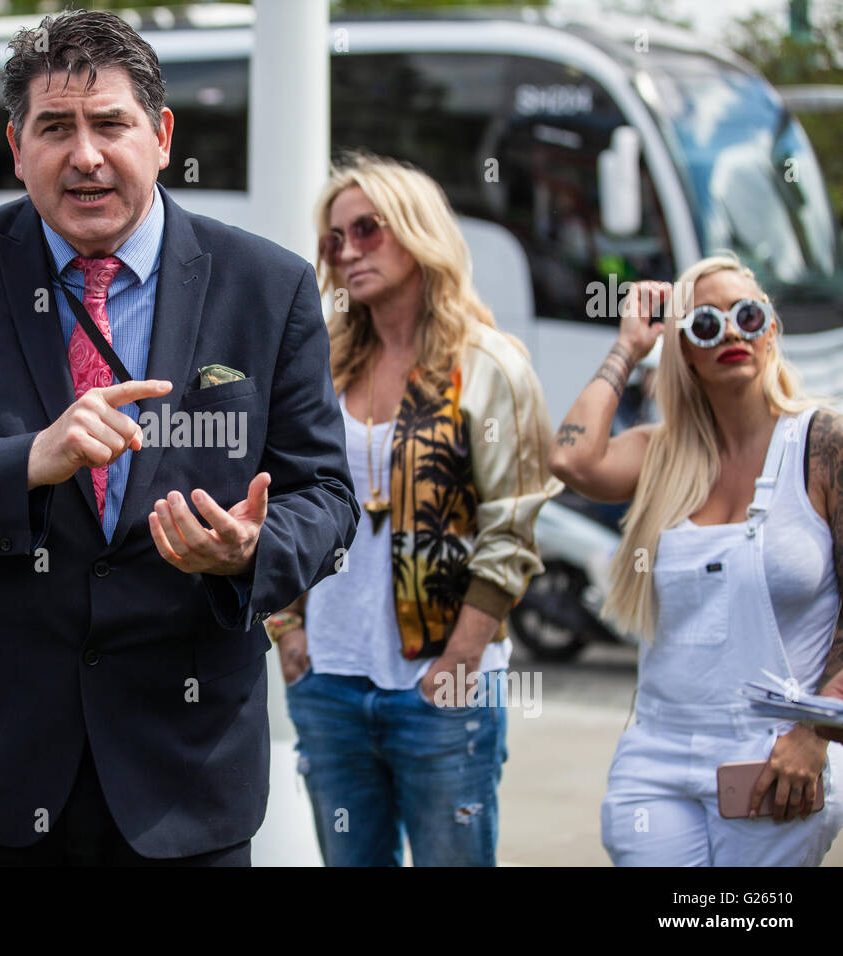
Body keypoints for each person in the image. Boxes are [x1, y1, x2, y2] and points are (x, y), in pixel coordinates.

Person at [0, 9, 359, 867]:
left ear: (160, 134)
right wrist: (26, 462)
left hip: (184, 782)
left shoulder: (270, 288)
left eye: (110, 123)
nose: (85, 155)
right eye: (55, 128)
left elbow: (328, 498)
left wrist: (252, 550)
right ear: (16, 145)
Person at [266, 152, 561, 867]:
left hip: (441, 681)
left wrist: (460, 659)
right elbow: (276, 497)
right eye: (335, 238)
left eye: (368, 228)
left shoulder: (488, 365)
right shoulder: (321, 365)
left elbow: (513, 529)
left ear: (417, 230)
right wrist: (288, 633)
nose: (348, 250)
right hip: (328, 679)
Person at [551, 255, 843, 866]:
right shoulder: (663, 453)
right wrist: (630, 345)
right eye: (705, 324)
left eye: (747, 314)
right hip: (656, 753)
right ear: (684, 352)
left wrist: (816, 733)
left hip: (773, 757)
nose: (731, 332)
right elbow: (571, 461)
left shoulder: (822, 444)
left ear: (770, 329)